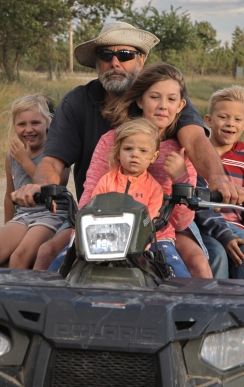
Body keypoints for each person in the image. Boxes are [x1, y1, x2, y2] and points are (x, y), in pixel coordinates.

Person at [15, 21, 244, 273]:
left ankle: (197, 312)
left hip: (162, 221)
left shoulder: (168, 99)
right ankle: (44, 308)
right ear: (96, 61)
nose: (115, 62)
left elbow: (195, 140)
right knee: (49, 251)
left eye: (125, 55)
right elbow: (54, 162)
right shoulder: (89, 116)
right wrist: (40, 186)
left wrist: (217, 179)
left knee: (202, 261)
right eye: (106, 54)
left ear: (141, 59)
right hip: (98, 215)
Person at [47, 63, 211, 277]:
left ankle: (193, 310)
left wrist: (181, 178)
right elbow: (91, 195)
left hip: (156, 233)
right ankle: (41, 303)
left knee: (182, 274)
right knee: (60, 265)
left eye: (171, 99)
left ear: (180, 105)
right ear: (140, 100)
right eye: (154, 97)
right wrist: (82, 232)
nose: (163, 106)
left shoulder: (179, 151)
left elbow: (180, 221)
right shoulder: (112, 141)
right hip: (103, 230)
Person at [0, 95, 69, 268]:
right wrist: (8, 228)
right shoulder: (11, 157)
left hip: (52, 214)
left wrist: (26, 162)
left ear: (48, 123)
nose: (29, 130)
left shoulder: (57, 153)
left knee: (20, 256)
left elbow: (56, 186)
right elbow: (9, 197)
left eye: (35, 123)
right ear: (15, 126)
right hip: (23, 215)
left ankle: (16, 295)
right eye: (22, 124)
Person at [197, 85, 244, 279]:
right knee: (217, 254)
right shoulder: (196, 155)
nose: (230, 123)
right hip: (202, 224)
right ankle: (211, 304)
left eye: (237, 119)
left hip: (235, 225)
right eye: (223, 117)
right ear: (208, 120)